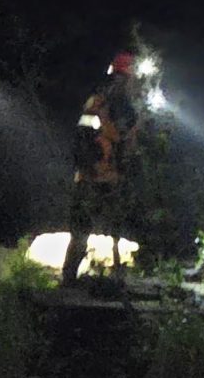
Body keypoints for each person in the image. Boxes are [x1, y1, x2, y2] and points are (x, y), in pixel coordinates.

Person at [60, 51, 147, 287]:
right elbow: (120, 137)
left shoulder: (97, 100)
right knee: (108, 229)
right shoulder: (120, 106)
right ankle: (105, 281)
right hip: (105, 176)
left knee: (83, 231)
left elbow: (82, 135)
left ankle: (71, 278)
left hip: (91, 175)